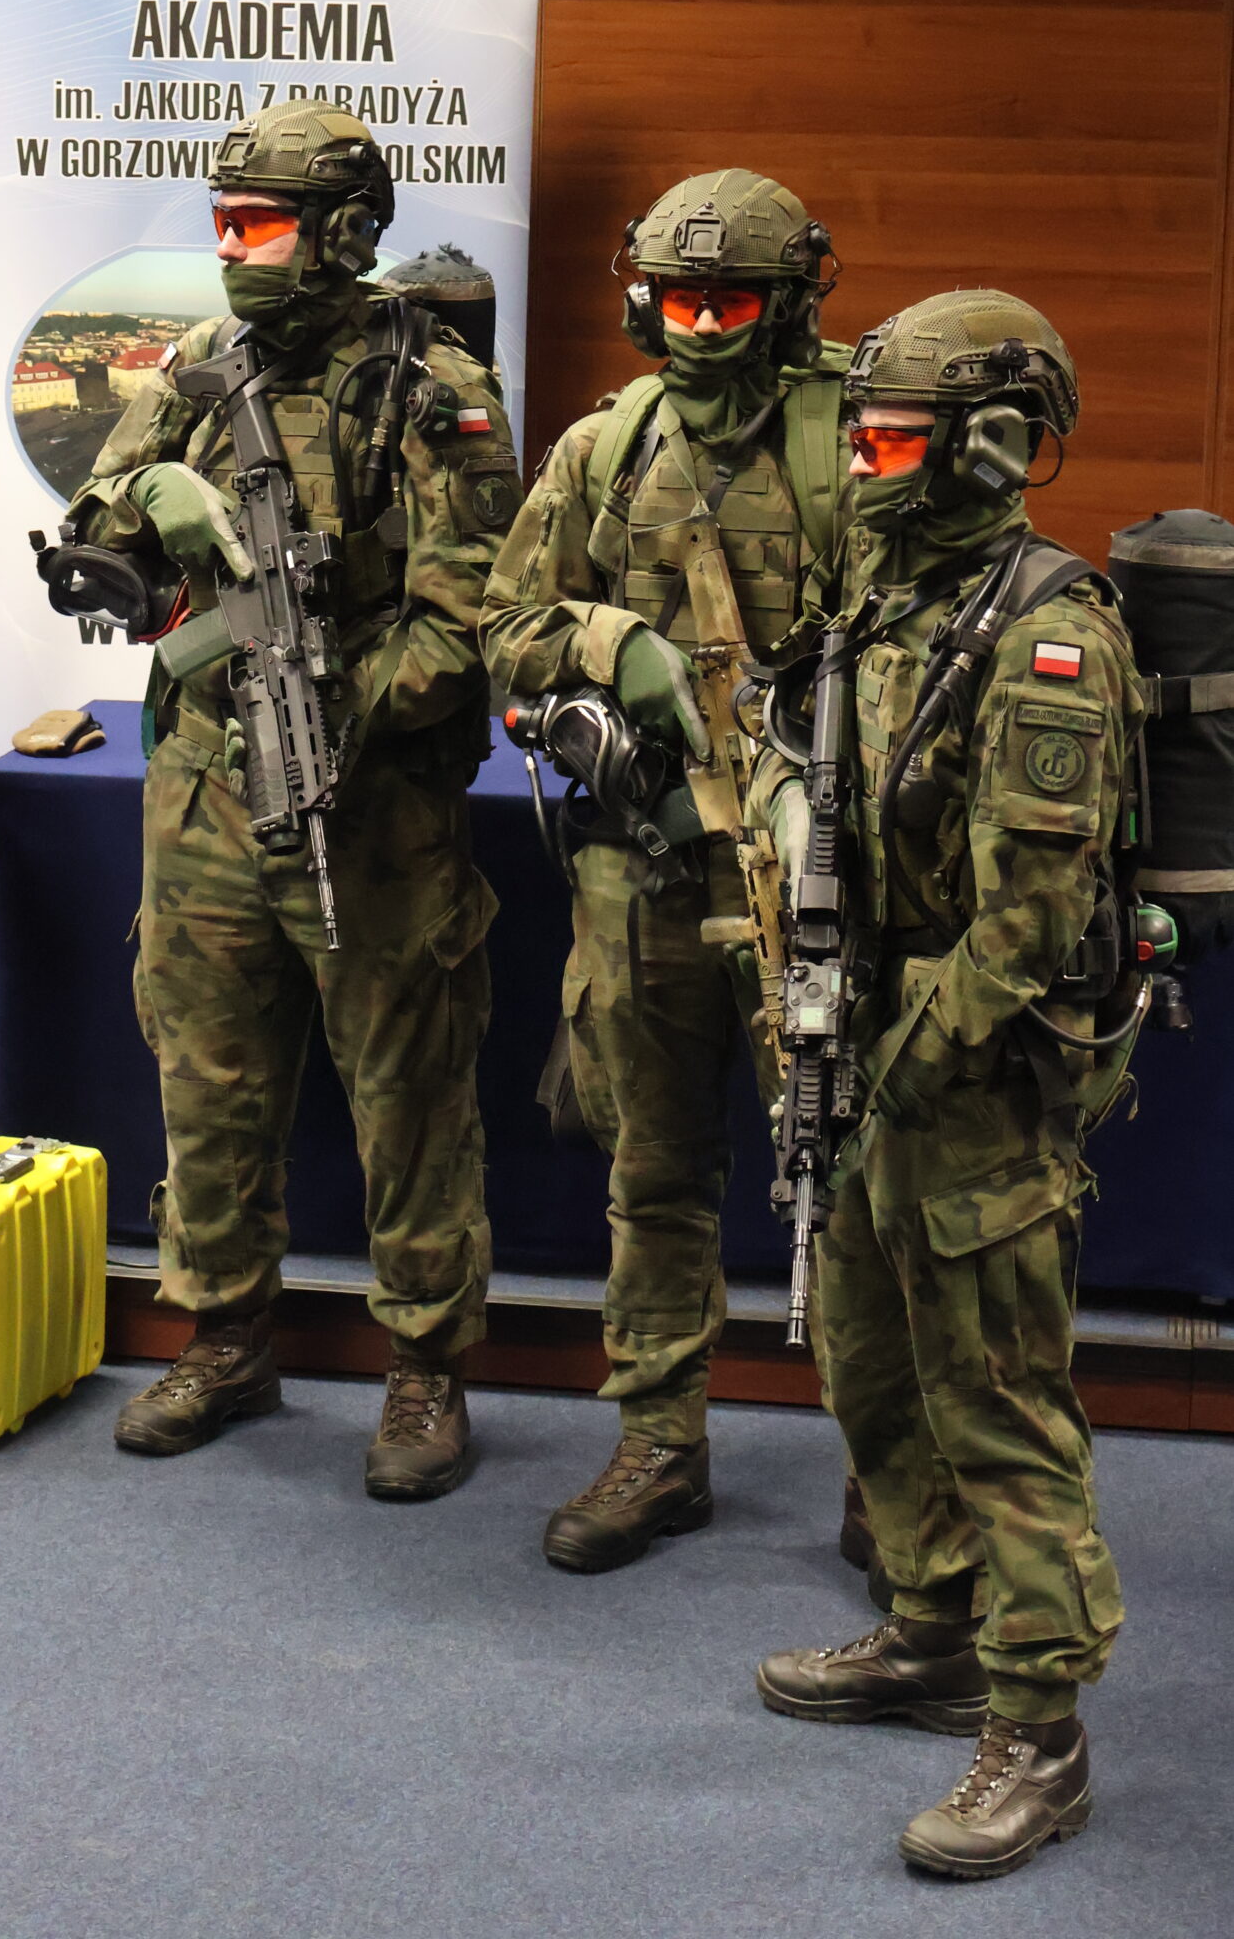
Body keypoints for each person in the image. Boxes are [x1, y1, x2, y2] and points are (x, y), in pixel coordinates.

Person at [64, 99, 520, 1501]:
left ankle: (426, 1365)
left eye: (254, 225)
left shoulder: (430, 386)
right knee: (205, 1070)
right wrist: (152, 492)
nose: (230, 251)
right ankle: (223, 1335)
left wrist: (344, 707)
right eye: (220, 224)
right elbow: (87, 538)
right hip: (204, 785)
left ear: (338, 234)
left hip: (366, 803)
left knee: (406, 1092)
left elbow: (476, 603)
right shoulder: (198, 367)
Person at [753, 289, 1142, 1879]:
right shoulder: (875, 585)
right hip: (861, 1036)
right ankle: (926, 1630)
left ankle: (1037, 1732)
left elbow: (1028, 921)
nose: (862, 462)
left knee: (996, 1405)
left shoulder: (1050, 634)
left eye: (895, 437)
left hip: (970, 1073)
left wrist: (896, 1064)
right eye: (857, 432)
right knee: (863, 1362)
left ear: (991, 446)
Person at [479, 168, 851, 1570]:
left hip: (805, 886)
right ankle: (657, 1442)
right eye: (676, 300)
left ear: (787, 302)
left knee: (844, 1170)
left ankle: (883, 1464)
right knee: (651, 1167)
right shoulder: (605, 447)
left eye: (731, 302)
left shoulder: (848, 447)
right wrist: (603, 651)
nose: (699, 328)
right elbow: (503, 626)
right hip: (635, 873)